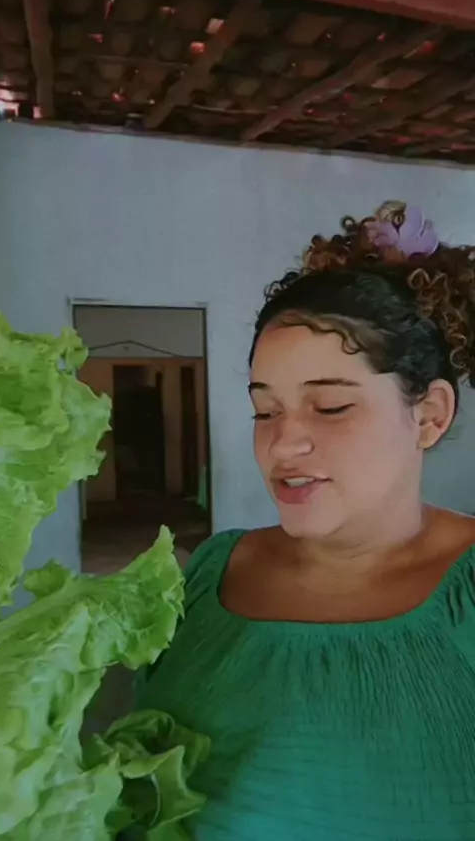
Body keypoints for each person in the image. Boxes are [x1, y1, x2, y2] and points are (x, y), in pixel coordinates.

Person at [138, 202, 475, 840]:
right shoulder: (209, 573)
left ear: (429, 415)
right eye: (265, 411)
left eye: (331, 406)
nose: (283, 443)